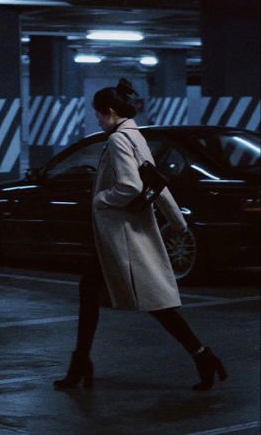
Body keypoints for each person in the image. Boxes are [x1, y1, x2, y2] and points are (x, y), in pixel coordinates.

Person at [54, 79, 227, 392]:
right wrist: (177, 221)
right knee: (90, 290)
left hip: (122, 235)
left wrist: (100, 199)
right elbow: (154, 180)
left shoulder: (119, 140)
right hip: (125, 233)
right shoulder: (136, 135)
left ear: (109, 112)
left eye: (98, 114)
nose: (97, 120)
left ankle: (202, 355)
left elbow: (132, 186)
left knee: (154, 302)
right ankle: (81, 361)